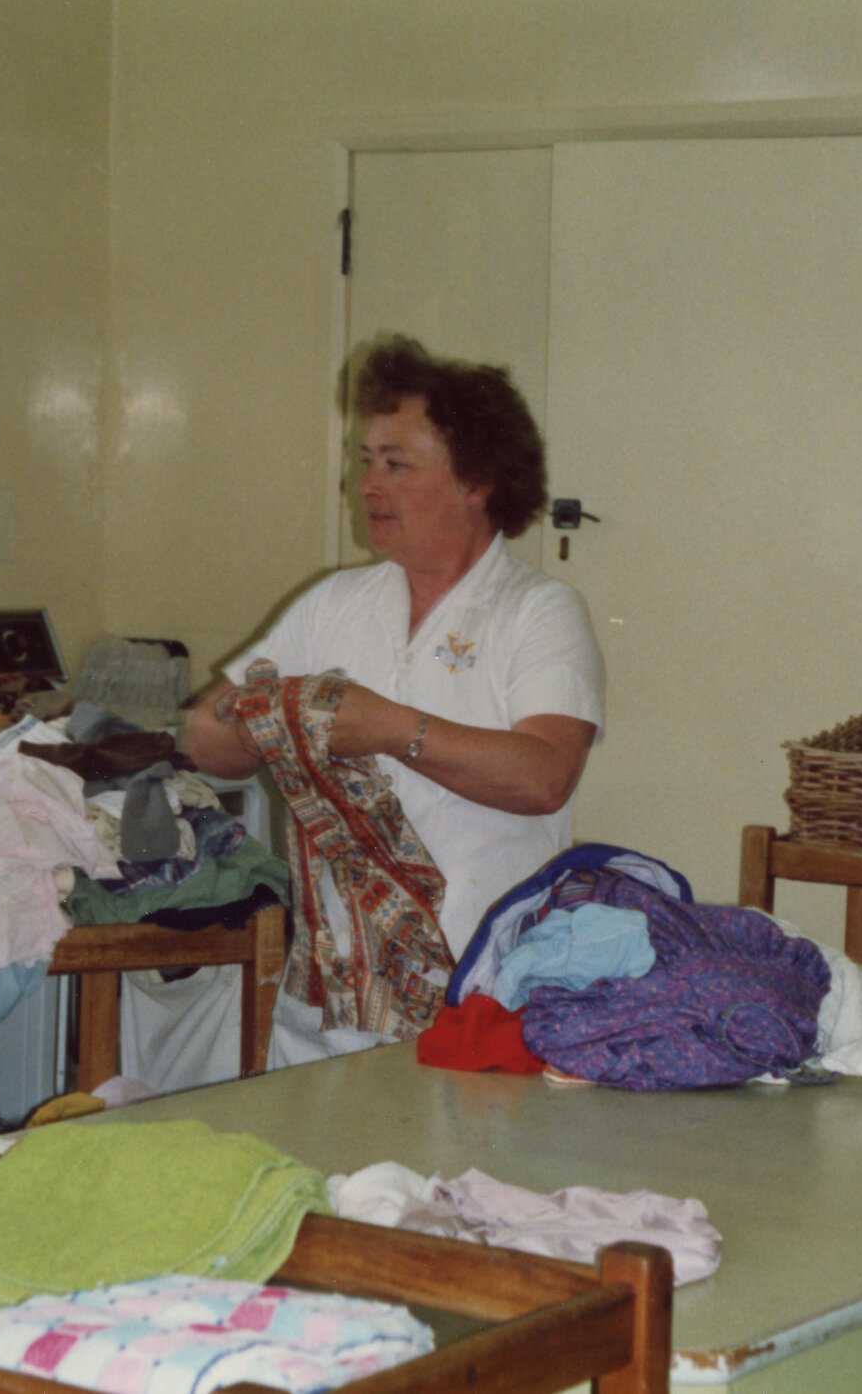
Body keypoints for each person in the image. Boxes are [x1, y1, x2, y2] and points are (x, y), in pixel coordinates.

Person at [184, 334, 605, 1053]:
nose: (367, 486)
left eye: (396, 464)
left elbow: (545, 776)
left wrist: (391, 729)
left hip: (478, 993)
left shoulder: (539, 610)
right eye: (365, 461)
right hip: (329, 999)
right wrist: (261, 721)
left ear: (477, 481)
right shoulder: (334, 603)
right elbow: (203, 736)